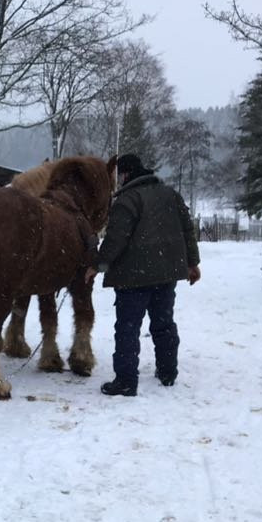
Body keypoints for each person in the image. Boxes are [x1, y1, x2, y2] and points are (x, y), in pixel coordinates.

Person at [85, 153, 201, 397]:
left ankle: (126, 381)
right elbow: (187, 229)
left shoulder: (127, 201)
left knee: (128, 328)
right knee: (163, 324)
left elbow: (116, 239)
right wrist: (192, 263)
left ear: (125, 174)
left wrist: (98, 265)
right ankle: (168, 371)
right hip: (166, 275)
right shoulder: (171, 194)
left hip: (133, 278)